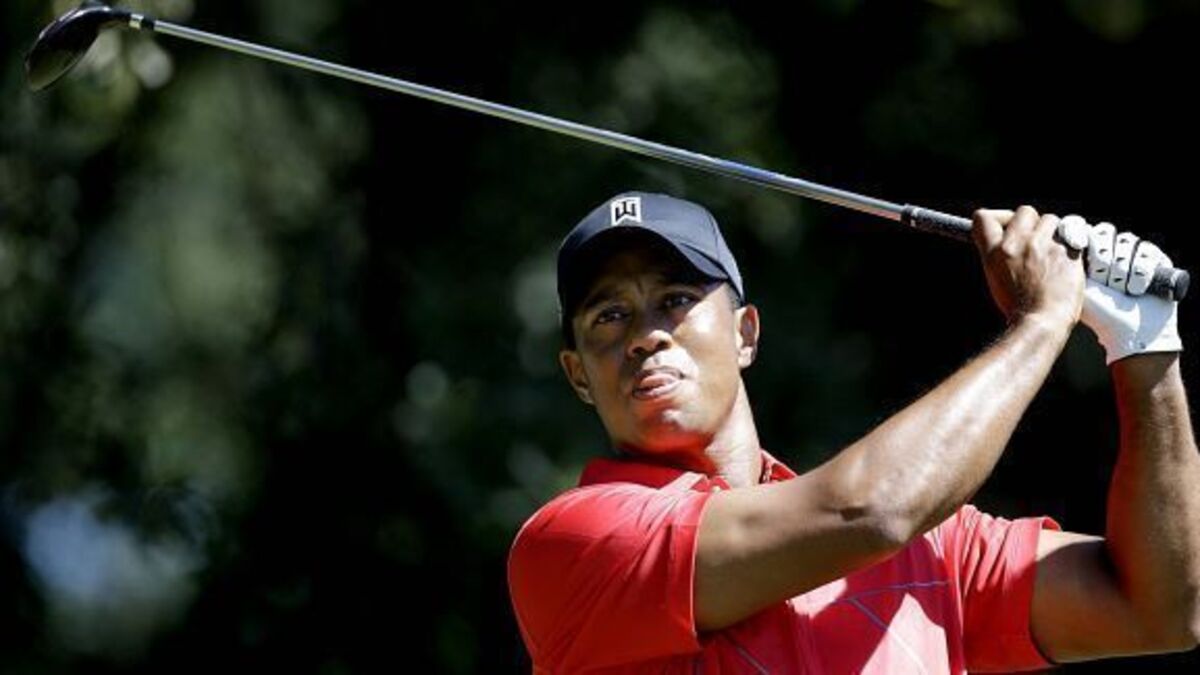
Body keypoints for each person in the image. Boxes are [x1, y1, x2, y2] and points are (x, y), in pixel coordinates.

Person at [507, 191, 1200, 673]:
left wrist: (1144, 351)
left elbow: (1158, 609)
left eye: (677, 299)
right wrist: (1043, 322)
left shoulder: (938, 549)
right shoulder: (569, 543)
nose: (645, 336)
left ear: (746, 334)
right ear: (577, 374)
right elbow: (873, 509)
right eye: (609, 316)